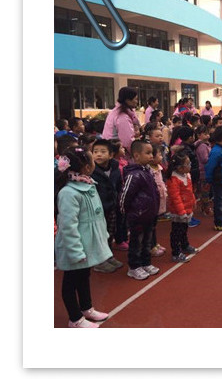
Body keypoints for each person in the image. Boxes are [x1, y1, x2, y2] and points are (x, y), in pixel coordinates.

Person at [54, 147, 111, 327]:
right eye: (92, 159)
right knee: (71, 282)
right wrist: (75, 252)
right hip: (75, 247)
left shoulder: (89, 184)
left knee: (84, 276)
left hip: (87, 244)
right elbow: (68, 226)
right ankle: (75, 319)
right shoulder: (68, 193)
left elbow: (98, 215)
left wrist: (103, 235)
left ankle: (86, 308)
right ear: (86, 167)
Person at [119, 140, 160, 280]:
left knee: (147, 241)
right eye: (148, 153)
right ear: (136, 156)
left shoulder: (147, 171)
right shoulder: (134, 175)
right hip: (138, 215)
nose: (151, 156)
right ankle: (134, 267)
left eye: (152, 153)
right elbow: (125, 195)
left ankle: (145, 262)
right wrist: (126, 212)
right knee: (136, 242)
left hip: (149, 214)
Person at [90, 139, 124, 273]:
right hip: (98, 210)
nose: (98, 154)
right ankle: (99, 261)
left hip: (112, 207)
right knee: (99, 235)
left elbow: (119, 185)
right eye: (95, 152)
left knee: (110, 233)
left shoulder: (115, 168)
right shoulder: (90, 170)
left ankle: (108, 256)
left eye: (103, 152)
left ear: (111, 155)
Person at [165, 152, 200, 262]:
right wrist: (181, 212)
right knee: (176, 232)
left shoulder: (187, 175)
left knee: (184, 229)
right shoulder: (173, 179)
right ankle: (176, 252)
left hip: (187, 208)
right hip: (178, 211)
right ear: (180, 168)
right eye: (188, 164)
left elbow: (190, 191)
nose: (190, 165)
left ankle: (185, 245)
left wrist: (193, 201)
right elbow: (175, 198)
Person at [102, 87, 139, 157]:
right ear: (128, 100)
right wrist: (137, 155)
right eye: (135, 99)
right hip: (117, 152)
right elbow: (127, 142)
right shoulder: (122, 116)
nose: (137, 101)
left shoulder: (116, 111)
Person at [149, 144, 167, 257]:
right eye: (159, 155)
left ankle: (155, 243)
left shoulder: (159, 168)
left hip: (160, 199)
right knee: (150, 225)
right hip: (153, 200)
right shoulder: (149, 170)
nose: (161, 157)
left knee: (154, 223)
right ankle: (151, 246)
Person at [194, 125, 213, 216]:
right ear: (199, 135)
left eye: (208, 133)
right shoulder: (201, 146)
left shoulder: (206, 144)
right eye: (205, 134)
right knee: (205, 191)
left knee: (205, 190)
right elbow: (204, 159)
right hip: (203, 171)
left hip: (206, 170)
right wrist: (213, 158)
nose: (207, 135)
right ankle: (206, 209)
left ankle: (204, 207)